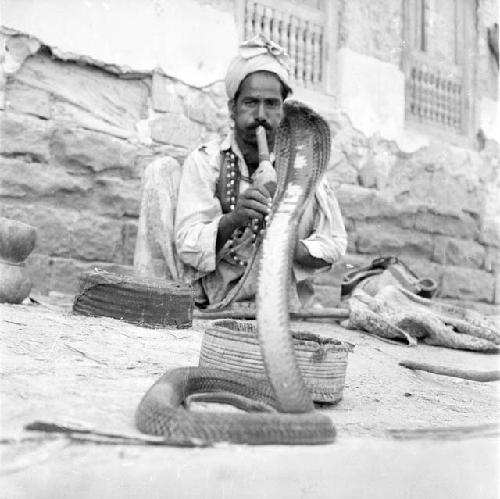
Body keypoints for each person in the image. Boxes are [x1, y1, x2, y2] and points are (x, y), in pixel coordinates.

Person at [134, 35, 347, 309]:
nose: (261, 114)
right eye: (250, 102)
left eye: (271, 104)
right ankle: (157, 303)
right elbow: (188, 243)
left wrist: (291, 245)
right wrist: (233, 219)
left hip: (276, 303)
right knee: (160, 171)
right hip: (209, 296)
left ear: (283, 110)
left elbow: (334, 243)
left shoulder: (302, 169)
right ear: (232, 108)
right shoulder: (206, 161)